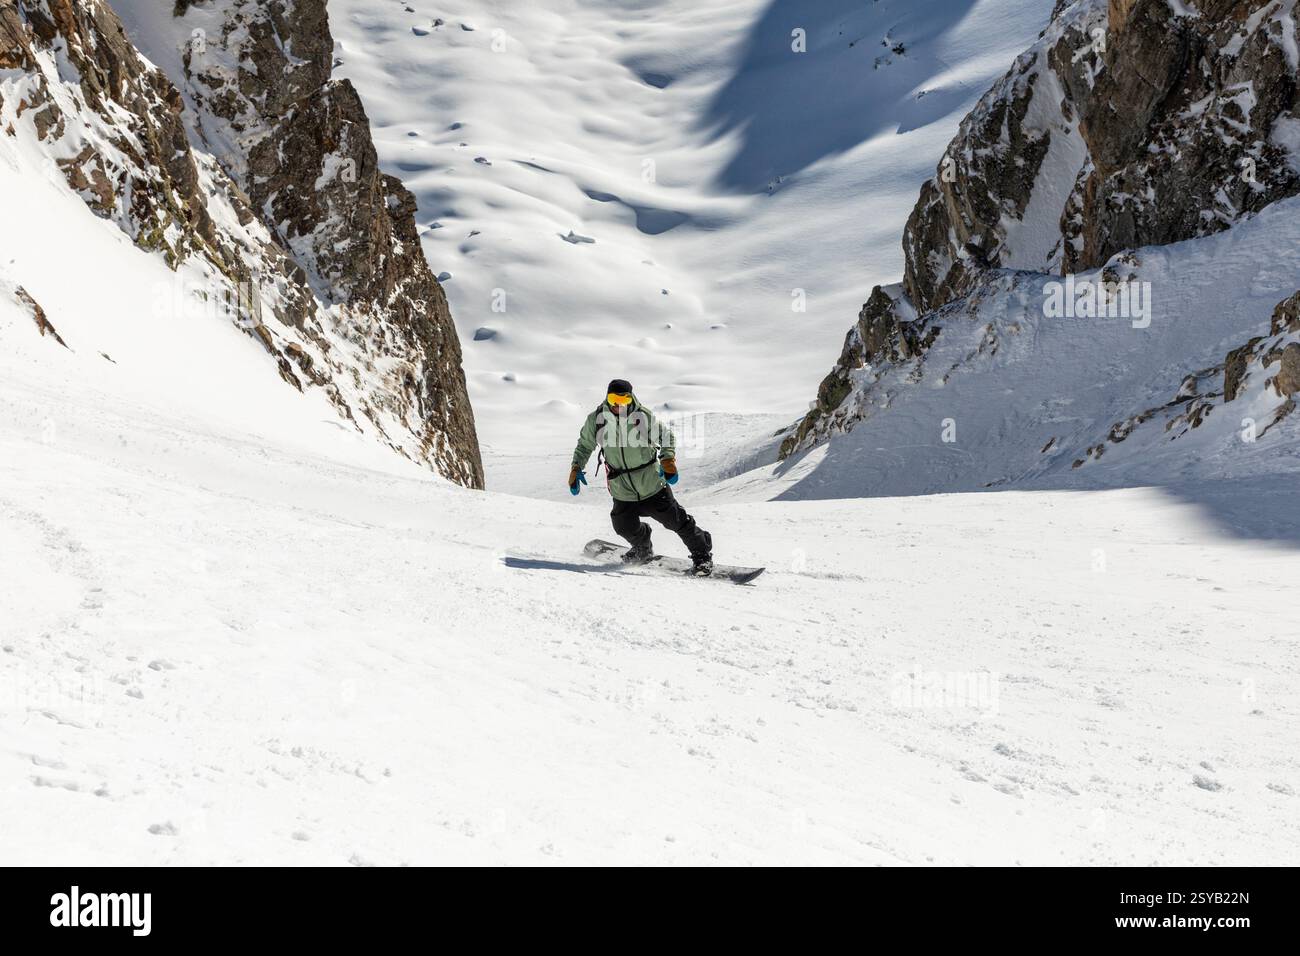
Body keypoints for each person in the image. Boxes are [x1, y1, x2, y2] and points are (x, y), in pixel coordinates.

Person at [568, 379, 713, 575]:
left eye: (624, 399)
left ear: (630, 398)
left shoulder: (641, 417)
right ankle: (642, 547)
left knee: (676, 521)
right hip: (621, 487)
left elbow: (666, 437)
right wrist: (576, 468)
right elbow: (585, 445)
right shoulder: (597, 419)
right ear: (607, 398)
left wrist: (667, 459)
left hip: (650, 483)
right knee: (622, 526)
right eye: (613, 398)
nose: (619, 404)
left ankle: (702, 554)